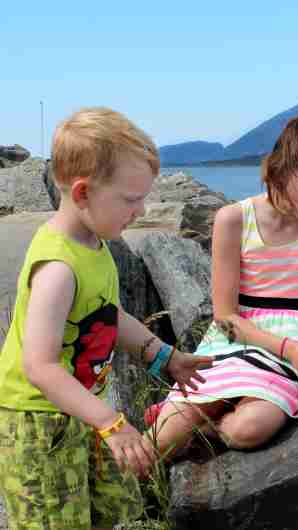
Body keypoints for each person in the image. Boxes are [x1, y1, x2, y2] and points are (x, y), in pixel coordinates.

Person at [138, 112, 298, 475]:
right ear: (281, 170)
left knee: (247, 430)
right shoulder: (234, 219)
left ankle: (206, 427)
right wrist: (290, 349)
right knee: (160, 439)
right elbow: (225, 317)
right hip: (236, 337)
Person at [0, 107, 212, 530]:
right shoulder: (58, 268)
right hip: (41, 427)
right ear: (82, 193)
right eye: (131, 199)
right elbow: (39, 367)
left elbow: (106, 315)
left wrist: (164, 357)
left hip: (83, 412)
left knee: (110, 510)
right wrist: (110, 424)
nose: (140, 210)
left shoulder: (94, 245)